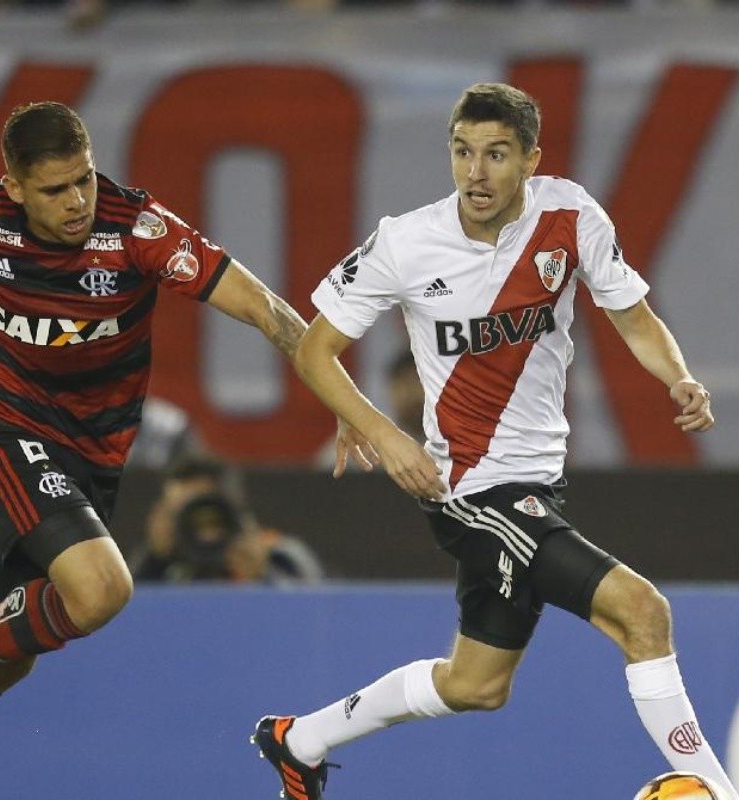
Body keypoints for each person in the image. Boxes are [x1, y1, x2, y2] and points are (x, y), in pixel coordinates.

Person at [251, 82, 737, 800]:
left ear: (531, 160)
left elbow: (632, 316)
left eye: (496, 155)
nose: (475, 172)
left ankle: (300, 740)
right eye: (462, 151)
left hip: (536, 482)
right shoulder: (406, 242)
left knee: (476, 685)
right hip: (468, 488)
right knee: (644, 613)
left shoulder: (570, 215)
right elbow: (315, 350)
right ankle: (715, 790)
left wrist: (680, 375)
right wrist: (387, 437)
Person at [0, 101, 371, 774]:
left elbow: (265, 307)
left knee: (13, 650)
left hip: (91, 459)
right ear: (14, 188)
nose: (78, 200)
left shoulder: (138, 230)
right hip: (3, 431)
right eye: (55, 189)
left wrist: (343, 398)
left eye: (84, 178)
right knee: (101, 590)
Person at [130, 453, 324, 584]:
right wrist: (153, 558)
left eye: (204, 511)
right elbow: (125, 628)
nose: (194, 522)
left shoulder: (281, 557)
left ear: (231, 509)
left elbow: (311, 621)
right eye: (178, 512)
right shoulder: (161, 567)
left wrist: (262, 576)